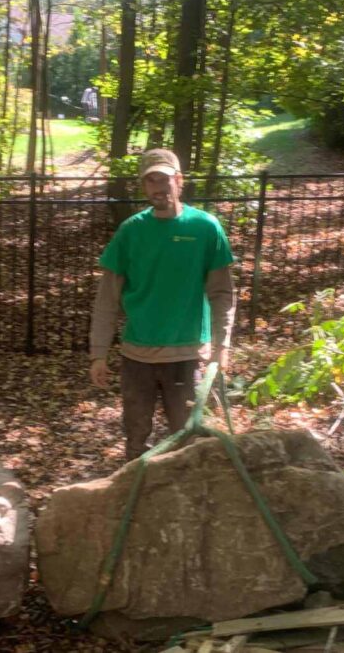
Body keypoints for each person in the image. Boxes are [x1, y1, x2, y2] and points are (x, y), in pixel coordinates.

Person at [89, 148, 236, 460]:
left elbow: (222, 294)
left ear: (179, 180)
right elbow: (107, 298)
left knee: (187, 441)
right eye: (150, 180)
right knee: (135, 439)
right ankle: (135, 500)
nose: (158, 187)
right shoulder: (131, 231)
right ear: (144, 186)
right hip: (137, 357)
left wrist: (222, 347)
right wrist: (98, 354)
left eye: (164, 179)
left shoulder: (206, 228)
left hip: (188, 355)